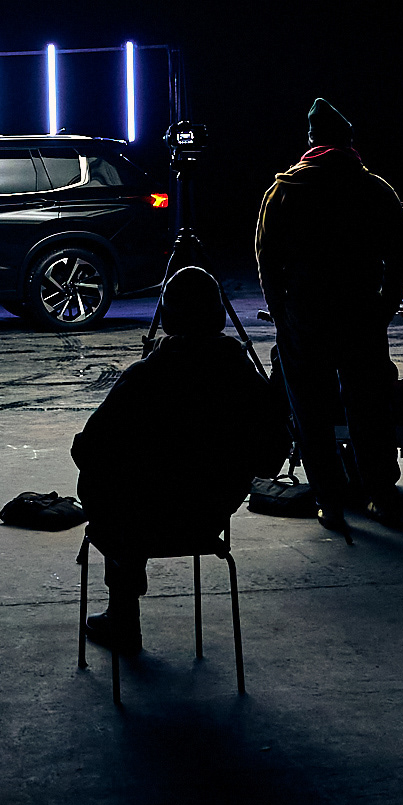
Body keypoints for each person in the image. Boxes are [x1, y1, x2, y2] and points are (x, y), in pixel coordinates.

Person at [70, 265, 283, 653]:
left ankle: (124, 612)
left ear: (167, 320)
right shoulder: (247, 381)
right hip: (208, 517)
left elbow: (87, 450)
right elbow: (271, 459)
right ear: (219, 317)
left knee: (111, 488)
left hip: (138, 522)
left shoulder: (144, 378)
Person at [254, 97, 403, 538]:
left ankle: (329, 501)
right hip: (362, 316)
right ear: (348, 141)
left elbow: (266, 261)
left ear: (311, 141)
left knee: (311, 414)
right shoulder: (376, 190)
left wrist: (283, 315)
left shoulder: (284, 190)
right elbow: (402, 256)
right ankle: (381, 494)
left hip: (305, 318)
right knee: (370, 410)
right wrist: (385, 308)